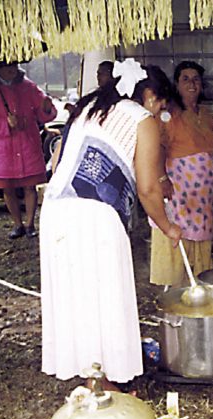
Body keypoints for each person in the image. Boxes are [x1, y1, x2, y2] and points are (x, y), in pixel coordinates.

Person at [40, 60, 180, 383]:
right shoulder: (142, 118)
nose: (160, 116)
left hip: (56, 210)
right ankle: (103, 384)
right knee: (104, 298)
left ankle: (93, 380)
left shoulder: (88, 109)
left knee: (78, 297)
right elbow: (147, 188)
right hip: (94, 217)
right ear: (148, 96)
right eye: (160, 107)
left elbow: (59, 160)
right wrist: (167, 226)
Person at [149, 61, 213, 286]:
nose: (192, 83)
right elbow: (158, 147)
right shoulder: (170, 113)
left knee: (199, 240)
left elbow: (208, 147)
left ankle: (196, 285)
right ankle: (176, 291)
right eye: (185, 78)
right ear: (176, 84)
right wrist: (162, 179)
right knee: (179, 236)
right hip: (179, 189)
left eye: (196, 79)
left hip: (202, 197)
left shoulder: (205, 113)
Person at [0, 62, 57, 239]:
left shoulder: (28, 86)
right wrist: (5, 125)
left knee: (30, 185)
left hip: (27, 143)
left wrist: (46, 109)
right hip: (1, 149)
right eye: (7, 66)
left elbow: (43, 111)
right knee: (7, 188)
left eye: (14, 65)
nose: (12, 69)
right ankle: (17, 224)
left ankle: (30, 224)